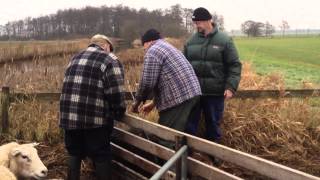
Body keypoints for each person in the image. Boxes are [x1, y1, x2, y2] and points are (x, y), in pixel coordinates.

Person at [59, 34, 126, 180]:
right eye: (110, 49)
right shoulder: (110, 59)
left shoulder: (74, 58)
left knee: (74, 152)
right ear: (106, 46)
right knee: (101, 154)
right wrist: (118, 112)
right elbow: (116, 93)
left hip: (69, 118)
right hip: (94, 120)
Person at [184, 7, 242, 143]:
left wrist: (231, 87)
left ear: (209, 20)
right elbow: (183, 66)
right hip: (194, 93)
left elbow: (234, 65)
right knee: (189, 126)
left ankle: (213, 157)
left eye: (199, 22)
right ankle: (189, 155)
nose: (197, 25)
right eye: (195, 22)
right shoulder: (190, 42)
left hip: (215, 94)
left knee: (213, 126)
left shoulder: (224, 40)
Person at [131, 29, 201, 138]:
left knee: (166, 136)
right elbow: (169, 80)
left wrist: (137, 102)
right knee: (184, 136)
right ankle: (185, 154)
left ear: (147, 42)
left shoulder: (153, 51)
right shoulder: (167, 47)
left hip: (179, 99)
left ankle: (167, 153)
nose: (144, 50)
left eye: (143, 46)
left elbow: (147, 83)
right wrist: (154, 103)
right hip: (193, 94)